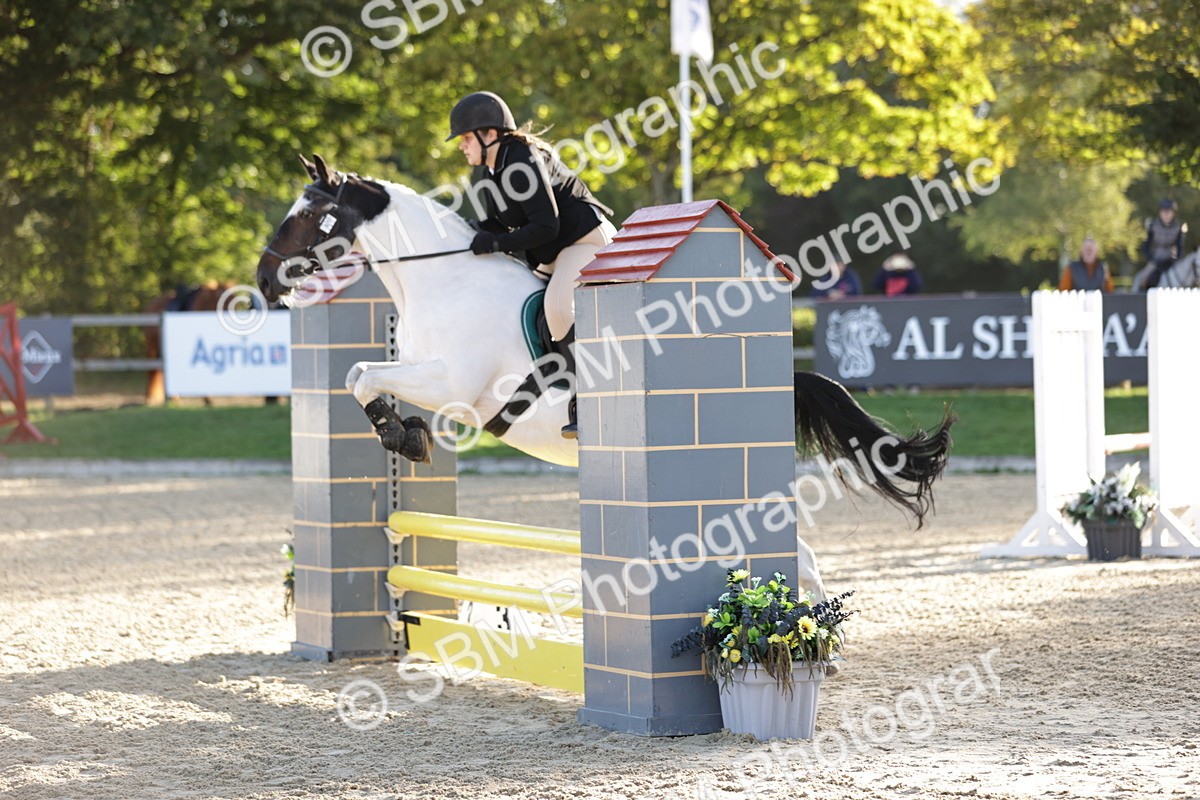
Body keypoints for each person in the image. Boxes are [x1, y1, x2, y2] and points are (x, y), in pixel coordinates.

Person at [447, 91, 616, 438]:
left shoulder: (521, 158)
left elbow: (546, 226)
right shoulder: (491, 171)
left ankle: (587, 400)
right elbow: (498, 224)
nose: (462, 146)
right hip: (553, 253)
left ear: (489, 134)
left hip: (585, 240)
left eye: (466, 138)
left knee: (557, 308)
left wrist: (494, 243)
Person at [1136, 198, 1187, 290]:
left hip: (1171, 260)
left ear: (1173, 213)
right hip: (1155, 260)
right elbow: (1146, 246)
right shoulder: (1153, 226)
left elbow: (1179, 247)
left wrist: (1178, 259)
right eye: (1164, 212)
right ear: (1160, 213)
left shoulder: (1178, 228)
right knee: (1142, 279)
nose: (1166, 215)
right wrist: (1151, 258)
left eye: (1169, 212)